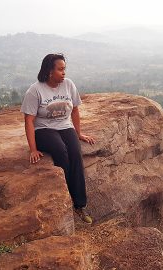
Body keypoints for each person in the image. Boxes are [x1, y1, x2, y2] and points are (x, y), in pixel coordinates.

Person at [20, 53, 95, 224]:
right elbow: (29, 120)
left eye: (64, 69)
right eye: (60, 70)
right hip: (43, 129)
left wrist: (79, 134)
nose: (64, 73)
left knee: (75, 153)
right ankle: (65, 195)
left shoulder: (68, 85)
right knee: (60, 151)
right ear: (49, 71)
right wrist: (32, 149)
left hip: (65, 126)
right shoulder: (35, 90)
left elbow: (75, 110)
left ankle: (79, 205)